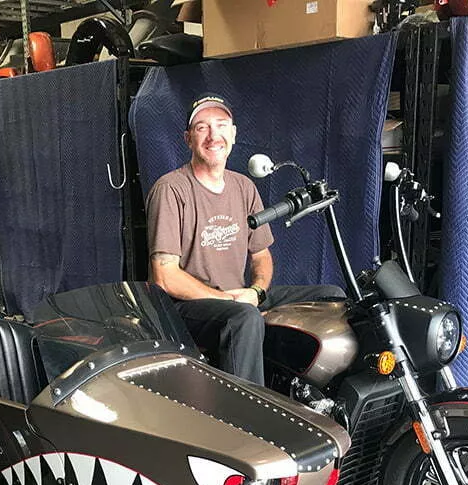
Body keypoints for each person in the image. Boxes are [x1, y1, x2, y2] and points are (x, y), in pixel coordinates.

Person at [145, 93, 344, 385]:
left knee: (332, 296)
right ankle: (251, 420)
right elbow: (165, 276)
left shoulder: (244, 187)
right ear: (188, 139)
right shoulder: (171, 189)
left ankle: (313, 402)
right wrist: (229, 299)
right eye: (202, 128)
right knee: (243, 319)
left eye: (221, 125)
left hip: (239, 295)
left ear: (234, 134)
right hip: (183, 309)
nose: (214, 135)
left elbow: (261, 255)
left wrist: (257, 292)